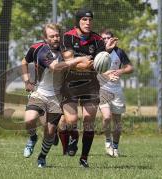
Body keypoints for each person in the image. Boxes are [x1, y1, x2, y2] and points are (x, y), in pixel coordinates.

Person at [21, 23, 91, 168]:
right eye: (51, 36)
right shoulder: (40, 50)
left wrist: (94, 62)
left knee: (50, 132)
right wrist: (27, 81)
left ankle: (42, 157)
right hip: (39, 93)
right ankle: (32, 138)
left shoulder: (66, 51)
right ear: (45, 38)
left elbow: (75, 65)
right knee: (29, 120)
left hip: (57, 97)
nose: (55, 38)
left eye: (57, 35)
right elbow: (55, 67)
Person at [61, 8, 117, 167]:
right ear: (78, 21)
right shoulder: (68, 37)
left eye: (90, 20)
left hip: (91, 84)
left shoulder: (98, 40)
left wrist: (107, 56)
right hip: (70, 83)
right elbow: (68, 61)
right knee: (71, 120)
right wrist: (84, 63)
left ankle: (84, 158)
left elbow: (99, 64)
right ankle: (73, 137)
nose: (88, 23)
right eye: (84, 20)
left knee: (88, 121)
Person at [98, 29, 133, 157]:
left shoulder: (119, 52)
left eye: (108, 38)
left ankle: (116, 147)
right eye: (103, 38)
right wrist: (107, 75)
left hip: (117, 90)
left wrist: (120, 71)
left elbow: (130, 67)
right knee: (107, 117)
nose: (106, 40)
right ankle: (108, 142)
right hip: (103, 89)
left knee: (117, 121)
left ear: (113, 39)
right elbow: (94, 71)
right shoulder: (99, 53)